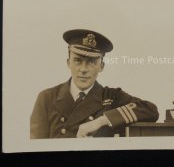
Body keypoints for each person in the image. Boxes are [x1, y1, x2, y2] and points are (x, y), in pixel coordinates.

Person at [30, 29, 159, 138]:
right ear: (68, 63)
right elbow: (36, 150)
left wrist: (101, 121)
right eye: (77, 61)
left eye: (91, 62)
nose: (84, 69)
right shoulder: (47, 98)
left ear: (101, 66)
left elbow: (151, 110)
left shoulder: (111, 97)